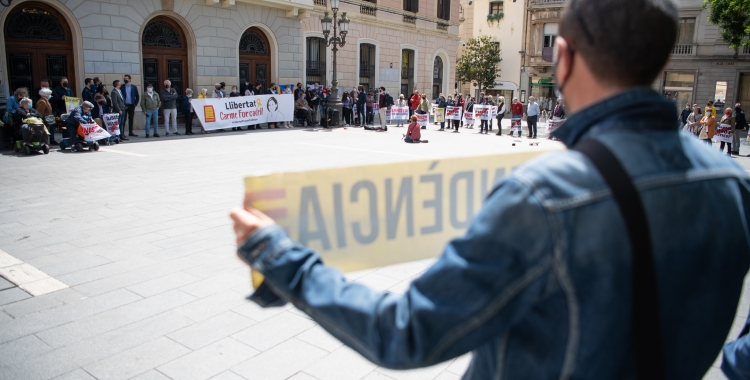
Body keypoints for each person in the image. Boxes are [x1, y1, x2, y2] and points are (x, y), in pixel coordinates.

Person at [230, 1, 750, 379]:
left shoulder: (544, 196)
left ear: (563, 57)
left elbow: (406, 333)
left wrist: (280, 255)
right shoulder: (735, 183)